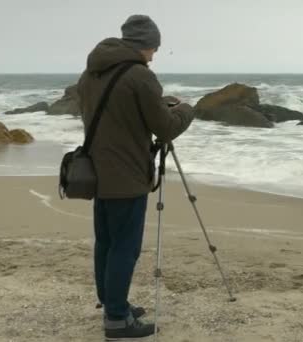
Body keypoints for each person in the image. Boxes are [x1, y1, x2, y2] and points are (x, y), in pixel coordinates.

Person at [77, 14, 194, 340]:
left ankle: (113, 301)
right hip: (126, 175)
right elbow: (166, 128)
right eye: (155, 48)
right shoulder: (140, 76)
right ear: (147, 45)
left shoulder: (90, 73)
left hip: (96, 172)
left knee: (107, 242)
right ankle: (117, 319)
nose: (155, 54)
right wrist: (185, 109)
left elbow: (111, 116)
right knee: (125, 247)